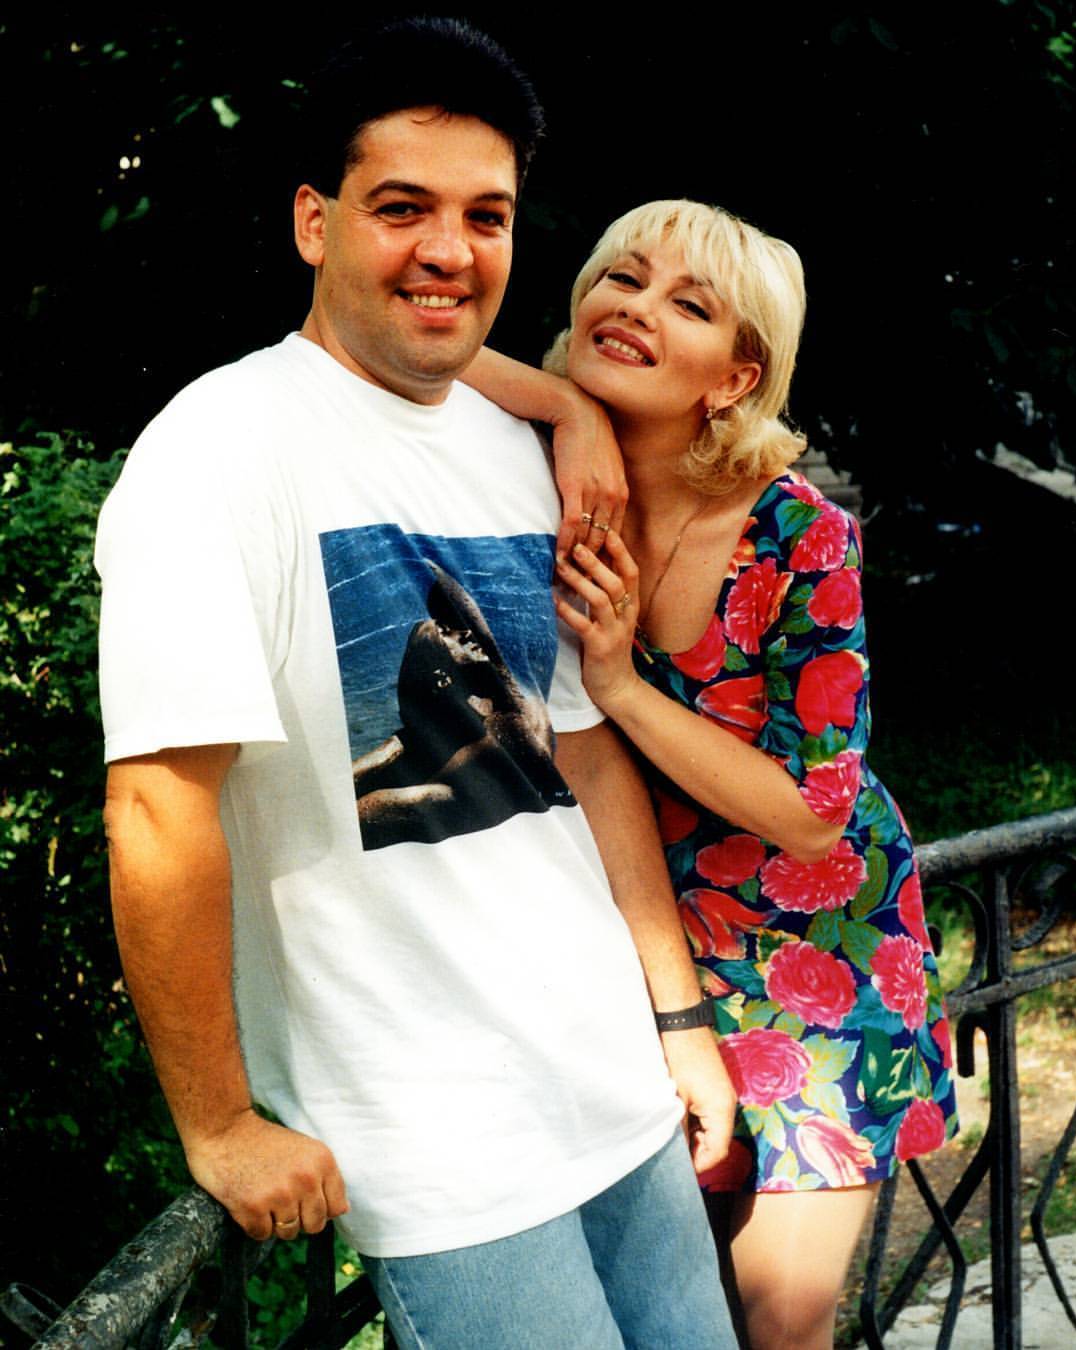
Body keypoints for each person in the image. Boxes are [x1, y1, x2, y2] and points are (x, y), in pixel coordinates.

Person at [95, 21, 741, 1350]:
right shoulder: (217, 451)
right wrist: (219, 1121)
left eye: (485, 216)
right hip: (440, 1144)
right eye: (402, 209)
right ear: (314, 222)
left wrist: (674, 1017)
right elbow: (159, 806)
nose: (450, 249)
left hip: (612, 1082)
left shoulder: (520, 448)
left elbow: (583, 754)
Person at [468, 199, 959, 1350]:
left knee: (779, 1316)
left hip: (819, 964)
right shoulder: (519, 476)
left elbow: (814, 815)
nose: (636, 308)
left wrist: (621, 681)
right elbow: (392, 347)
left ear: (735, 380)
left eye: (687, 304)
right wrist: (567, 408)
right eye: (621, 278)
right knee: (672, 1314)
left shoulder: (800, 536)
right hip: (633, 961)